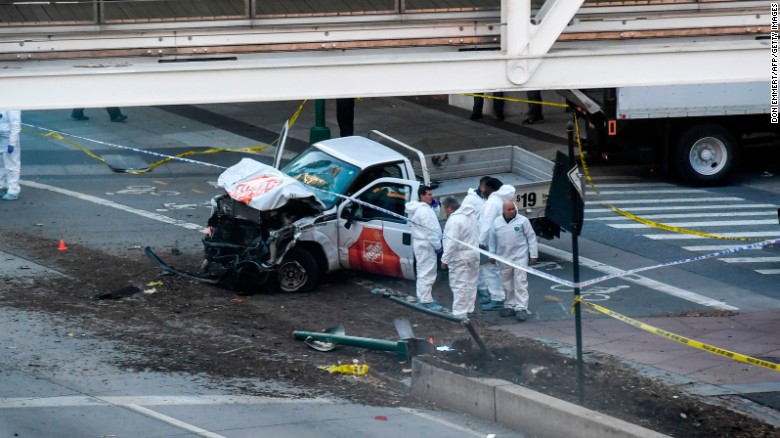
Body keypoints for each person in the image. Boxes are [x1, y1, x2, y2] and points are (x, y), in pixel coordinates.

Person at [488, 200, 539, 322]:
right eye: (509, 209)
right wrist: (492, 255)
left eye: (513, 209)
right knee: (507, 283)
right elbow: (492, 240)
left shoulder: (523, 221)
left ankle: (521, 307)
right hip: (504, 257)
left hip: (519, 257)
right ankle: (510, 305)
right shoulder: (497, 223)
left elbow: (531, 238)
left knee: (520, 282)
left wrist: (533, 255)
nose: (511, 211)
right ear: (503, 210)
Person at [478, 178, 516, 310]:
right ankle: (506, 298)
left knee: (490, 270)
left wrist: (481, 242)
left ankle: (497, 299)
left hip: (491, 242)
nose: (483, 190)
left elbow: (486, 223)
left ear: (490, 188)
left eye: (485, 187)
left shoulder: (492, 201)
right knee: (502, 270)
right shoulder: (506, 200)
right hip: (504, 240)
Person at [405, 185, 444, 312]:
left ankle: (422, 297)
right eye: (429, 194)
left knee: (423, 272)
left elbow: (435, 216)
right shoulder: (422, 211)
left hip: (424, 245)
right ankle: (426, 301)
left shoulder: (425, 208)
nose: (431, 196)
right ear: (422, 196)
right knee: (428, 273)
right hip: (426, 245)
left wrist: (435, 205)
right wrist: (438, 246)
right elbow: (429, 230)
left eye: (431, 194)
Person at [440, 196, 480, 319]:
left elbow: (451, 243)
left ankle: (459, 313)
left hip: (459, 257)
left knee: (459, 285)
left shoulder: (454, 221)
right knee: (471, 283)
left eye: (445, 209)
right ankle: (469, 308)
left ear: (450, 208)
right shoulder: (470, 215)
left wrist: (444, 260)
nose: (445, 212)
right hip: (473, 254)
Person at [461, 176, 491, 305]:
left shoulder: (488, 199)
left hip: (486, 238)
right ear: (481, 186)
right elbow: (463, 218)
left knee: (487, 266)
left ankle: (486, 290)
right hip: (475, 238)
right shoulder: (470, 200)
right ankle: (482, 292)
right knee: (477, 267)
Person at [0, 110, 22, 201]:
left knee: (12, 164)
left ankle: (13, 190)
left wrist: (12, 143)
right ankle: (2, 184)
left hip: (8, 136)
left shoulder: (12, 105)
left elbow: (15, 124)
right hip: (1, 136)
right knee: (1, 163)